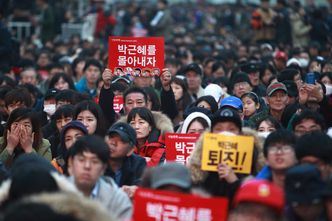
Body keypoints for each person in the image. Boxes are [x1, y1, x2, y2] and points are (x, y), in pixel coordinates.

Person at [67, 135, 132, 220]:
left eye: (94, 161)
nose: (87, 166)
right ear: (71, 163)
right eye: (81, 160)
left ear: (103, 168)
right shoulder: (56, 192)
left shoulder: (118, 200)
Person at [104, 122, 146, 199]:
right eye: (111, 137)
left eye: (121, 140)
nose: (113, 143)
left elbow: (142, 186)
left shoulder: (138, 163)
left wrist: (135, 190)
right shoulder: (96, 159)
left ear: (130, 150)